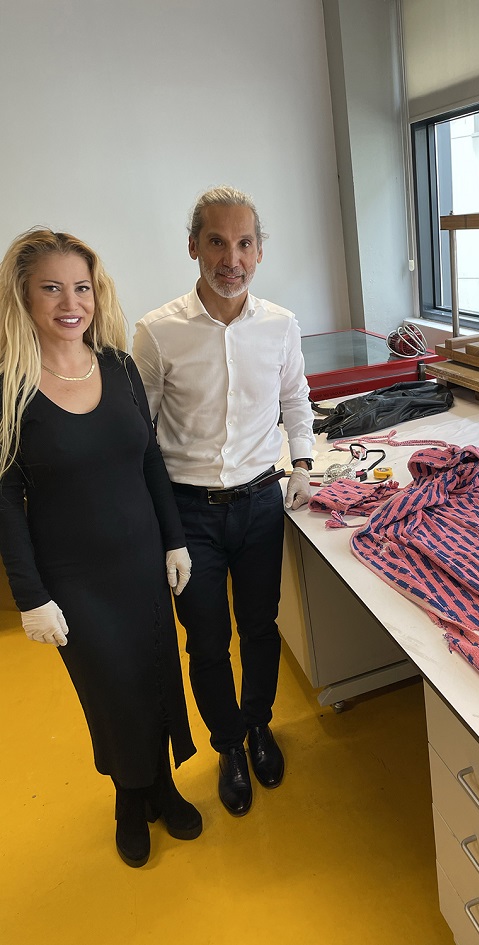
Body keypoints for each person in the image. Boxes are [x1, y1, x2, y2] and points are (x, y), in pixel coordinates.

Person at [0, 229, 202, 868]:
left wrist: (174, 541)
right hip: (74, 580)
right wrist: (30, 596)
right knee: (111, 692)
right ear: (23, 297)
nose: (71, 303)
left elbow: (150, 461)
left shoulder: (116, 367)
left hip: (142, 561)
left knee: (156, 675)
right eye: (52, 288)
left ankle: (163, 786)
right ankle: (129, 797)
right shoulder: (10, 386)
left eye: (81, 288)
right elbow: (4, 501)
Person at [133, 185, 315, 816]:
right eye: (217, 242)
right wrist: (158, 526)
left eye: (244, 243)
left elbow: (296, 400)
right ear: (193, 246)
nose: (231, 259)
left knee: (261, 627)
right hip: (189, 513)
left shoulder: (281, 325)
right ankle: (229, 745)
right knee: (207, 642)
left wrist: (303, 464)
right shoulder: (157, 332)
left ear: (260, 251)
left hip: (262, 502)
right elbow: (140, 435)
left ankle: (259, 725)